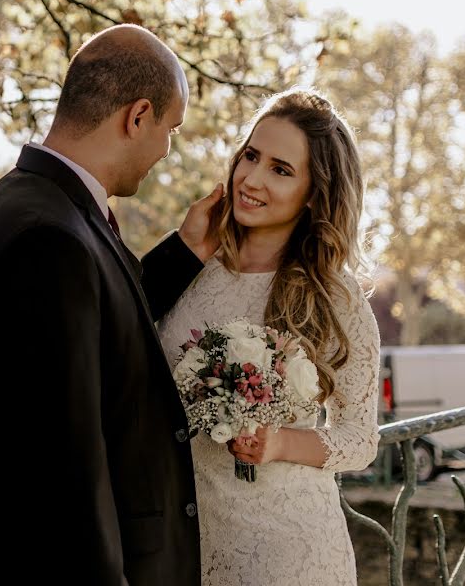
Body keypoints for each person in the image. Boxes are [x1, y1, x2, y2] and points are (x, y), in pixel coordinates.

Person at [0, 24, 223, 585]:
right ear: (137, 116)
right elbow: (64, 465)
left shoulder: (35, 204)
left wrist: (186, 252)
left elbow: (94, 332)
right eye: (170, 129)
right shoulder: (48, 237)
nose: (166, 150)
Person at [158, 88, 381, 585]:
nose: (252, 179)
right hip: (186, 546)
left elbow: (360, 438)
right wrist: (181, 246)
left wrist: (278, 443)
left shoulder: (335, 297)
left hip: (289, 553)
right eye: (251, 156)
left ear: (314, 192)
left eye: (281, 169)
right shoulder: (194, 268)